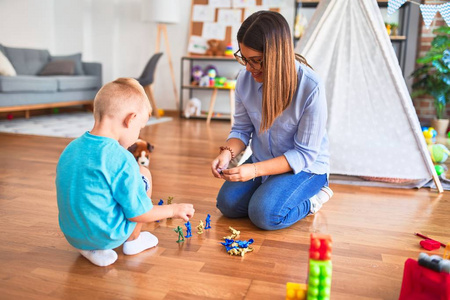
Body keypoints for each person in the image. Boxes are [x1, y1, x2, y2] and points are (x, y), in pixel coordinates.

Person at [211, 11, 333, 231]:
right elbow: (241, 129)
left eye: (256, 61)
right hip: (264, 160)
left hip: (306, 169)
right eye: (244, 59)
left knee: (264, 215)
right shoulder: (244, 80)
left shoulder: (310, 87)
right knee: (227, 205)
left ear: (277, 56)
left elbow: (304, 154)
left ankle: (314, 199)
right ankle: (269, 194)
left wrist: (255, 171)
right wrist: (227, 153)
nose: (248, 68)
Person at [56, 78, 195, 266]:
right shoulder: (121, 158)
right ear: (130, 120)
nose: (138, 135)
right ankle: (133, 241)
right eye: (140, 128)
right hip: (109, 235)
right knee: (144, 173)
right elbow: (138, 213)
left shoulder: (70, 148)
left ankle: (90, 248)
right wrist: (174, 209)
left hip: (73, 235)